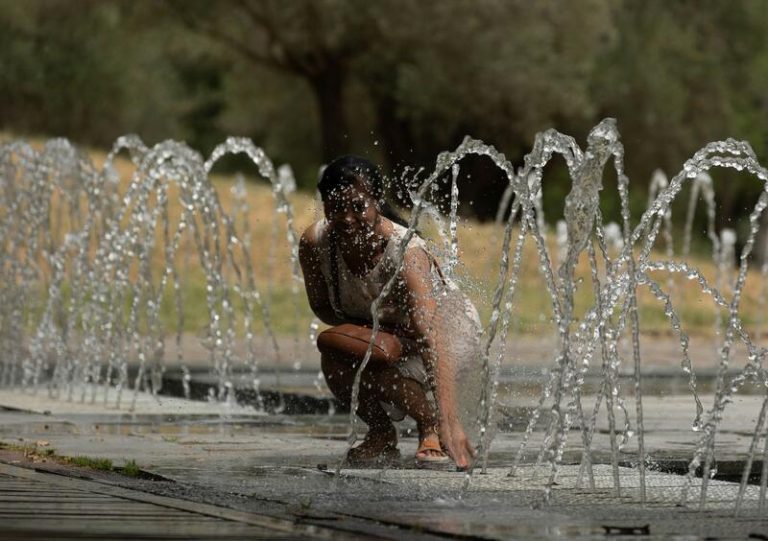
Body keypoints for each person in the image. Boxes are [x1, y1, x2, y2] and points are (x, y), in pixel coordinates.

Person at [299, 155, 481, 470]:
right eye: (336, 207)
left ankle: (433, 427)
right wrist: (379, 331)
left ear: (376, 202)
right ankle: (381, 433)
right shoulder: (316, 243)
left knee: (379, 359)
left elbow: (430, 334)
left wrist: (452, 421)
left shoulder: (405, 252)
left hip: (448, 330)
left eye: (358, 207)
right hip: (390, 329)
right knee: (335, 350)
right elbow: (325, 310)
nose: (346, 218)